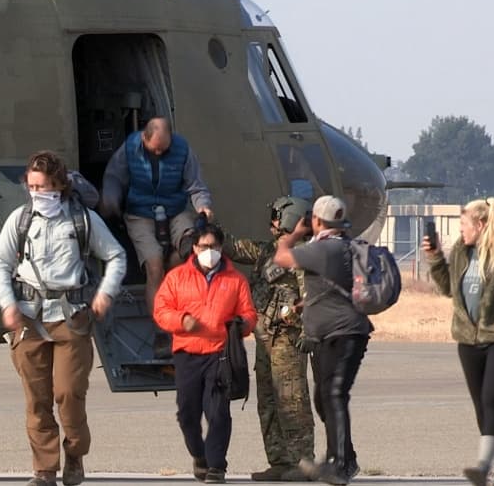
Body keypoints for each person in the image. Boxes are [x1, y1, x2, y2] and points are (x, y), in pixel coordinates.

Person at [0, 151, 127, 486]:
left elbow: (116, 255)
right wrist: (8, 304)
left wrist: (105, 293)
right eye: (32, 186)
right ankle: (44, 469)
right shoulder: (20, 220)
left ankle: (75, 453)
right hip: (28, 320)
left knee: (68, 393)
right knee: (37, 400)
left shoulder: (81, 220)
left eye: (45, 186)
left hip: (72, 318)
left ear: (60, 186)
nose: (38, 193)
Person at [421, 198, 494, 486]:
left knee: (491, 400)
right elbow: (448, 288)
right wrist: (435, 257)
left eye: (464, 226)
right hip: (467, 339)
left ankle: (483, 467)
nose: (461, 232)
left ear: (480, 225)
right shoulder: (460, 251)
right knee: (481, 406)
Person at [273, 195, 371, 486]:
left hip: (344, 334)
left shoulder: (323, 249)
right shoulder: (345, 246)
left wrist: (291, 235)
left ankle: (339, 464)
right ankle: (345, 457)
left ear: (316, 220)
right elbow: (330, 289)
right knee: (325, 397)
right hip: (333, 335)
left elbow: (281, 258)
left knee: (334, 395)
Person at [153, 222, 256, 485]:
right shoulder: (176, 277)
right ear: (194, 248)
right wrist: (181, 320)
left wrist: (243, 325)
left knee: (218, 411)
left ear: (221, 247)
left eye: (213, 246)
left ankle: (216, 467)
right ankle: (199, 456)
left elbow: (249, 313)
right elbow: (161, 309)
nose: (208, 251)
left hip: (219, 354)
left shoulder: (235, 280)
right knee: (187, 413)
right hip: (187, 353)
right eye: (203, 246)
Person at [225, 197, 315, 482]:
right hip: (265, 340)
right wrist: (208, 225)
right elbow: (233, 248)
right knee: (268, 401)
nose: (273, 221)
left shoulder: (301, 256)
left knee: (292, 400)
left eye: (277, 216)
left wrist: (308, 332)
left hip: (287, 341)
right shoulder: (266, 251)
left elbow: (311, 297)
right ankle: (279, 460)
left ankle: (302, 463)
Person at [100, 117, 213, 311]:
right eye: (155, 149)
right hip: (140, 212)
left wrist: (203, 206)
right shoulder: (129, 149)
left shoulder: (183, 150)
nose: (159, 153)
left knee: (188, 250)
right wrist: (110, 200)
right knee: (154, 266)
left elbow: (195, 185)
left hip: (175, 209)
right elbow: (113, 177)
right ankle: (160, 326)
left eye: (164, 149)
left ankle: (178, 297)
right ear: (144, 137)